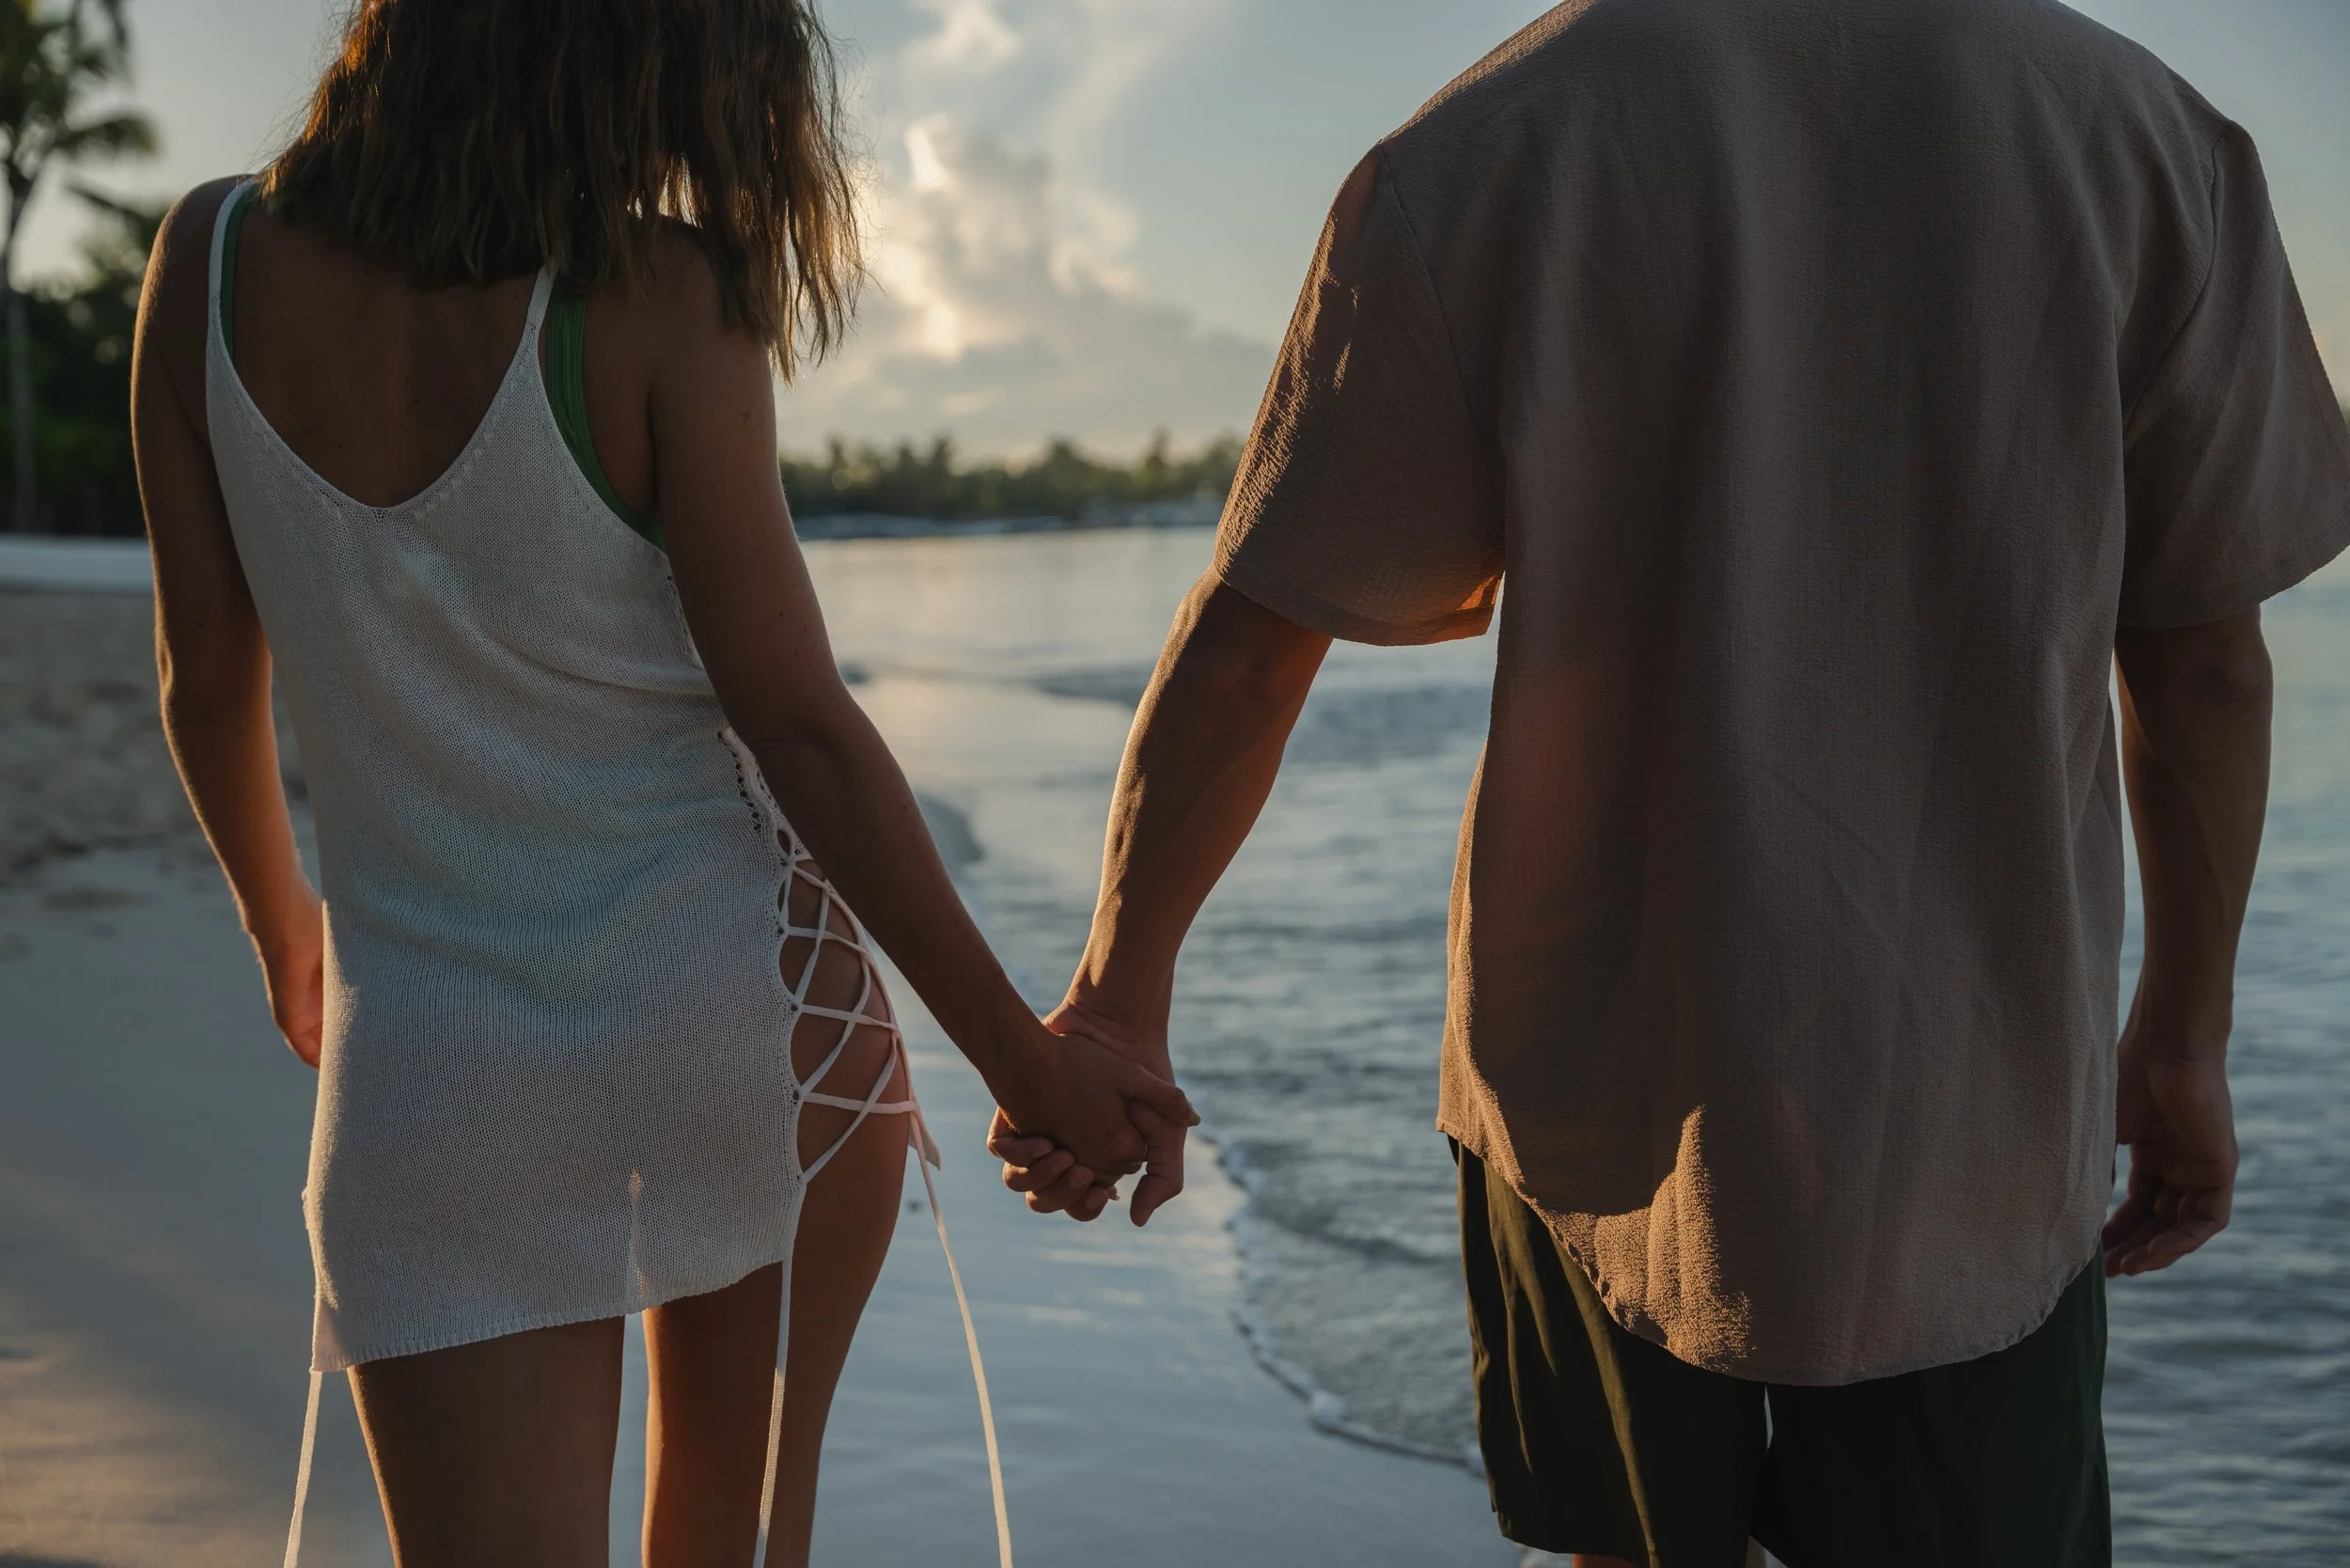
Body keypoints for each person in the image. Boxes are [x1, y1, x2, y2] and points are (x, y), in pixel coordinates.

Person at [993, 1, 2350, 1564]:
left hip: (1590, 1087)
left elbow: (1251, 648)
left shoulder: (1490, 143)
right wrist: (2181, 1038)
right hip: (1975, 1099)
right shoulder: (2154, 144)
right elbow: (2205, 666)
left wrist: (1115, 1003)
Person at [129, 1, 1195, 1563]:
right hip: (748, 1028)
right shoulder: (660, 295)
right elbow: (799, 727)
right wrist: (1024, 1067)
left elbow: (208, 680)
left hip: (433, 1069)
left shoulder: (210, 261)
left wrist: (277, 919)